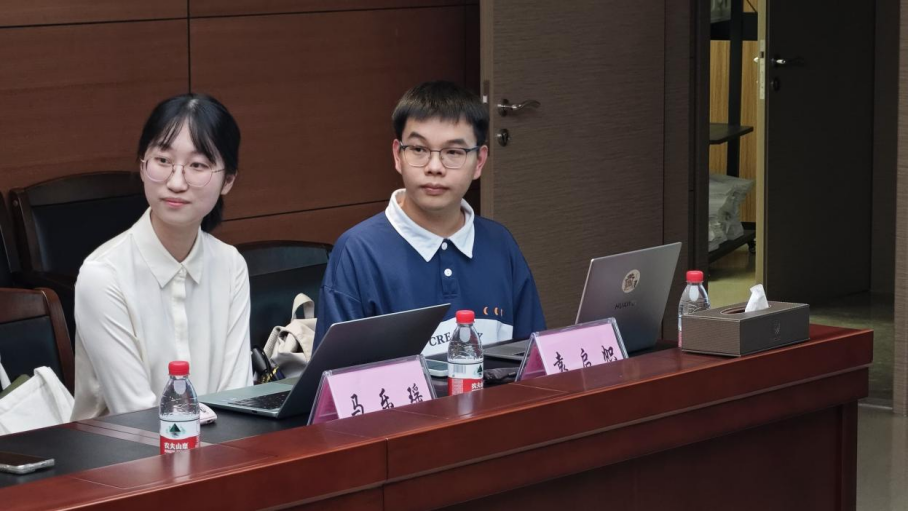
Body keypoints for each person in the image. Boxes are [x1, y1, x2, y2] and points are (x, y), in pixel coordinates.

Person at [315, 81, 546, 356]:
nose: (434, 167)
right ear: (397, 155)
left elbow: (534, 360)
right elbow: (337, 376)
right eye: (419, 149)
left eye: (453, 152)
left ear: (479, 162)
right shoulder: (358, 252)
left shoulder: (500, 243)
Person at [72, 93, 252, 419]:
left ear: (228, 180)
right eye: (163, 161)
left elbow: (237, 399)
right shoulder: (102, 275)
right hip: (120, 448)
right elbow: (138, 416)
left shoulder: (231, 265)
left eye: (198, 165)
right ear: (143, 166)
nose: (176, 182)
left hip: (221, 447)